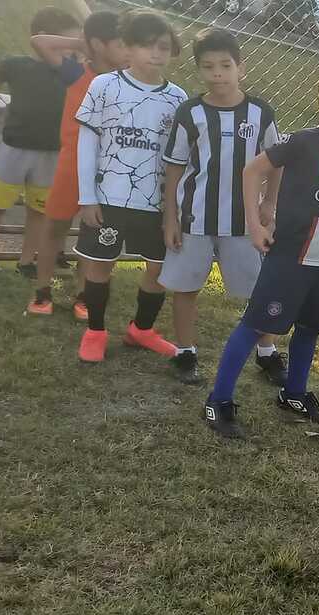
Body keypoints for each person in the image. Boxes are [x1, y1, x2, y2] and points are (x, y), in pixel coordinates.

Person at [202, 72, 319, 438]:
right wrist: (256, 222)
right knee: (255, 325)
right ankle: (217, 401)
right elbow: (253, 170)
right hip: (289, 257)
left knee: (310, 327)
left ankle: (293, 394)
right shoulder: (302, 143)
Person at [158, 28, 285, 385]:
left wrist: (270, 204)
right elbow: (174, 167)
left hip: (244, 222)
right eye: (208, 66)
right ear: (199, 70)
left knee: (260, 290)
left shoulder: (261, 113)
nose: (217, 74)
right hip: (194, 219)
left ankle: (267, 351)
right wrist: (170, 217)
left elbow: (277, 163)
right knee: (186, 287)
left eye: (225, 65)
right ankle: (185, 351)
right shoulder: (190, 112)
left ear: (240, 67)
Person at [72, 9, 189, 363]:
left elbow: (178, 159)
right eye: (147, 46)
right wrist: (87, 195)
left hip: (154, 203)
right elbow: (86, 142)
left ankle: (142, 329)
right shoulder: (105, 86)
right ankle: (95, 330)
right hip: (109, 198)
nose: (156, 53)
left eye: (164, 47)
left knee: (158, 268)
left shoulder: (178, 98)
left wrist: (175, 208)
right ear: (129, 47)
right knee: (100, 264)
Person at [29, 10, 124, 318]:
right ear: (98, 44)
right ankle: (42, 292)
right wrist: (82, 43)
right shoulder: (75, 73)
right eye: (121, 43)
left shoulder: (127, 79)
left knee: (92, 233)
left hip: (107, 169)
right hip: (71, 165)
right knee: (55, 226)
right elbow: (40, 42)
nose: (128, 50)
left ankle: (84, 294)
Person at [0, 7, 82, 285]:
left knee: (39, 211)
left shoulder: (72, 72)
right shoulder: (14, 64)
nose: (71, 50)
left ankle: (26, 260)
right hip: (12, 148)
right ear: (46, 38)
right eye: (66, 42)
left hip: (52, 152)